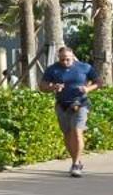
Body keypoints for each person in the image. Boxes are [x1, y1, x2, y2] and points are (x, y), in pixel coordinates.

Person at [39, 44, 99, 177]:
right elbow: (42, 86)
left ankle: (76, 164)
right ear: (58, 58)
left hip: (80, 103)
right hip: (62, 105)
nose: (65, 62)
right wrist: (53, 87)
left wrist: (87, 89)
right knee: (67, 134)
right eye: (62, 59)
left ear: (73, 57)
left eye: (68, 59)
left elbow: (98, 82)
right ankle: (75, 160)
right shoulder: (52, 69)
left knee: (77, 132)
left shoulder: (84, 67)